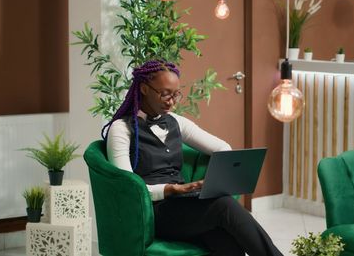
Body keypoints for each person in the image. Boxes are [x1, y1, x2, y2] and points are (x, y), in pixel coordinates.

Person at [103, 60, 283, 256]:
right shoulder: (122, 129)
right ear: (145, 89)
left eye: (175, 95)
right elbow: (127, 188)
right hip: (152, 212)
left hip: (184, 206)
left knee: (227, 242)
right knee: (224, 205)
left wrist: (217, 179)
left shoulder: (176, 122)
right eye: (165, 94)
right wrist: (170, 189)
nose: (171, 101)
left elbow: (222, 148)